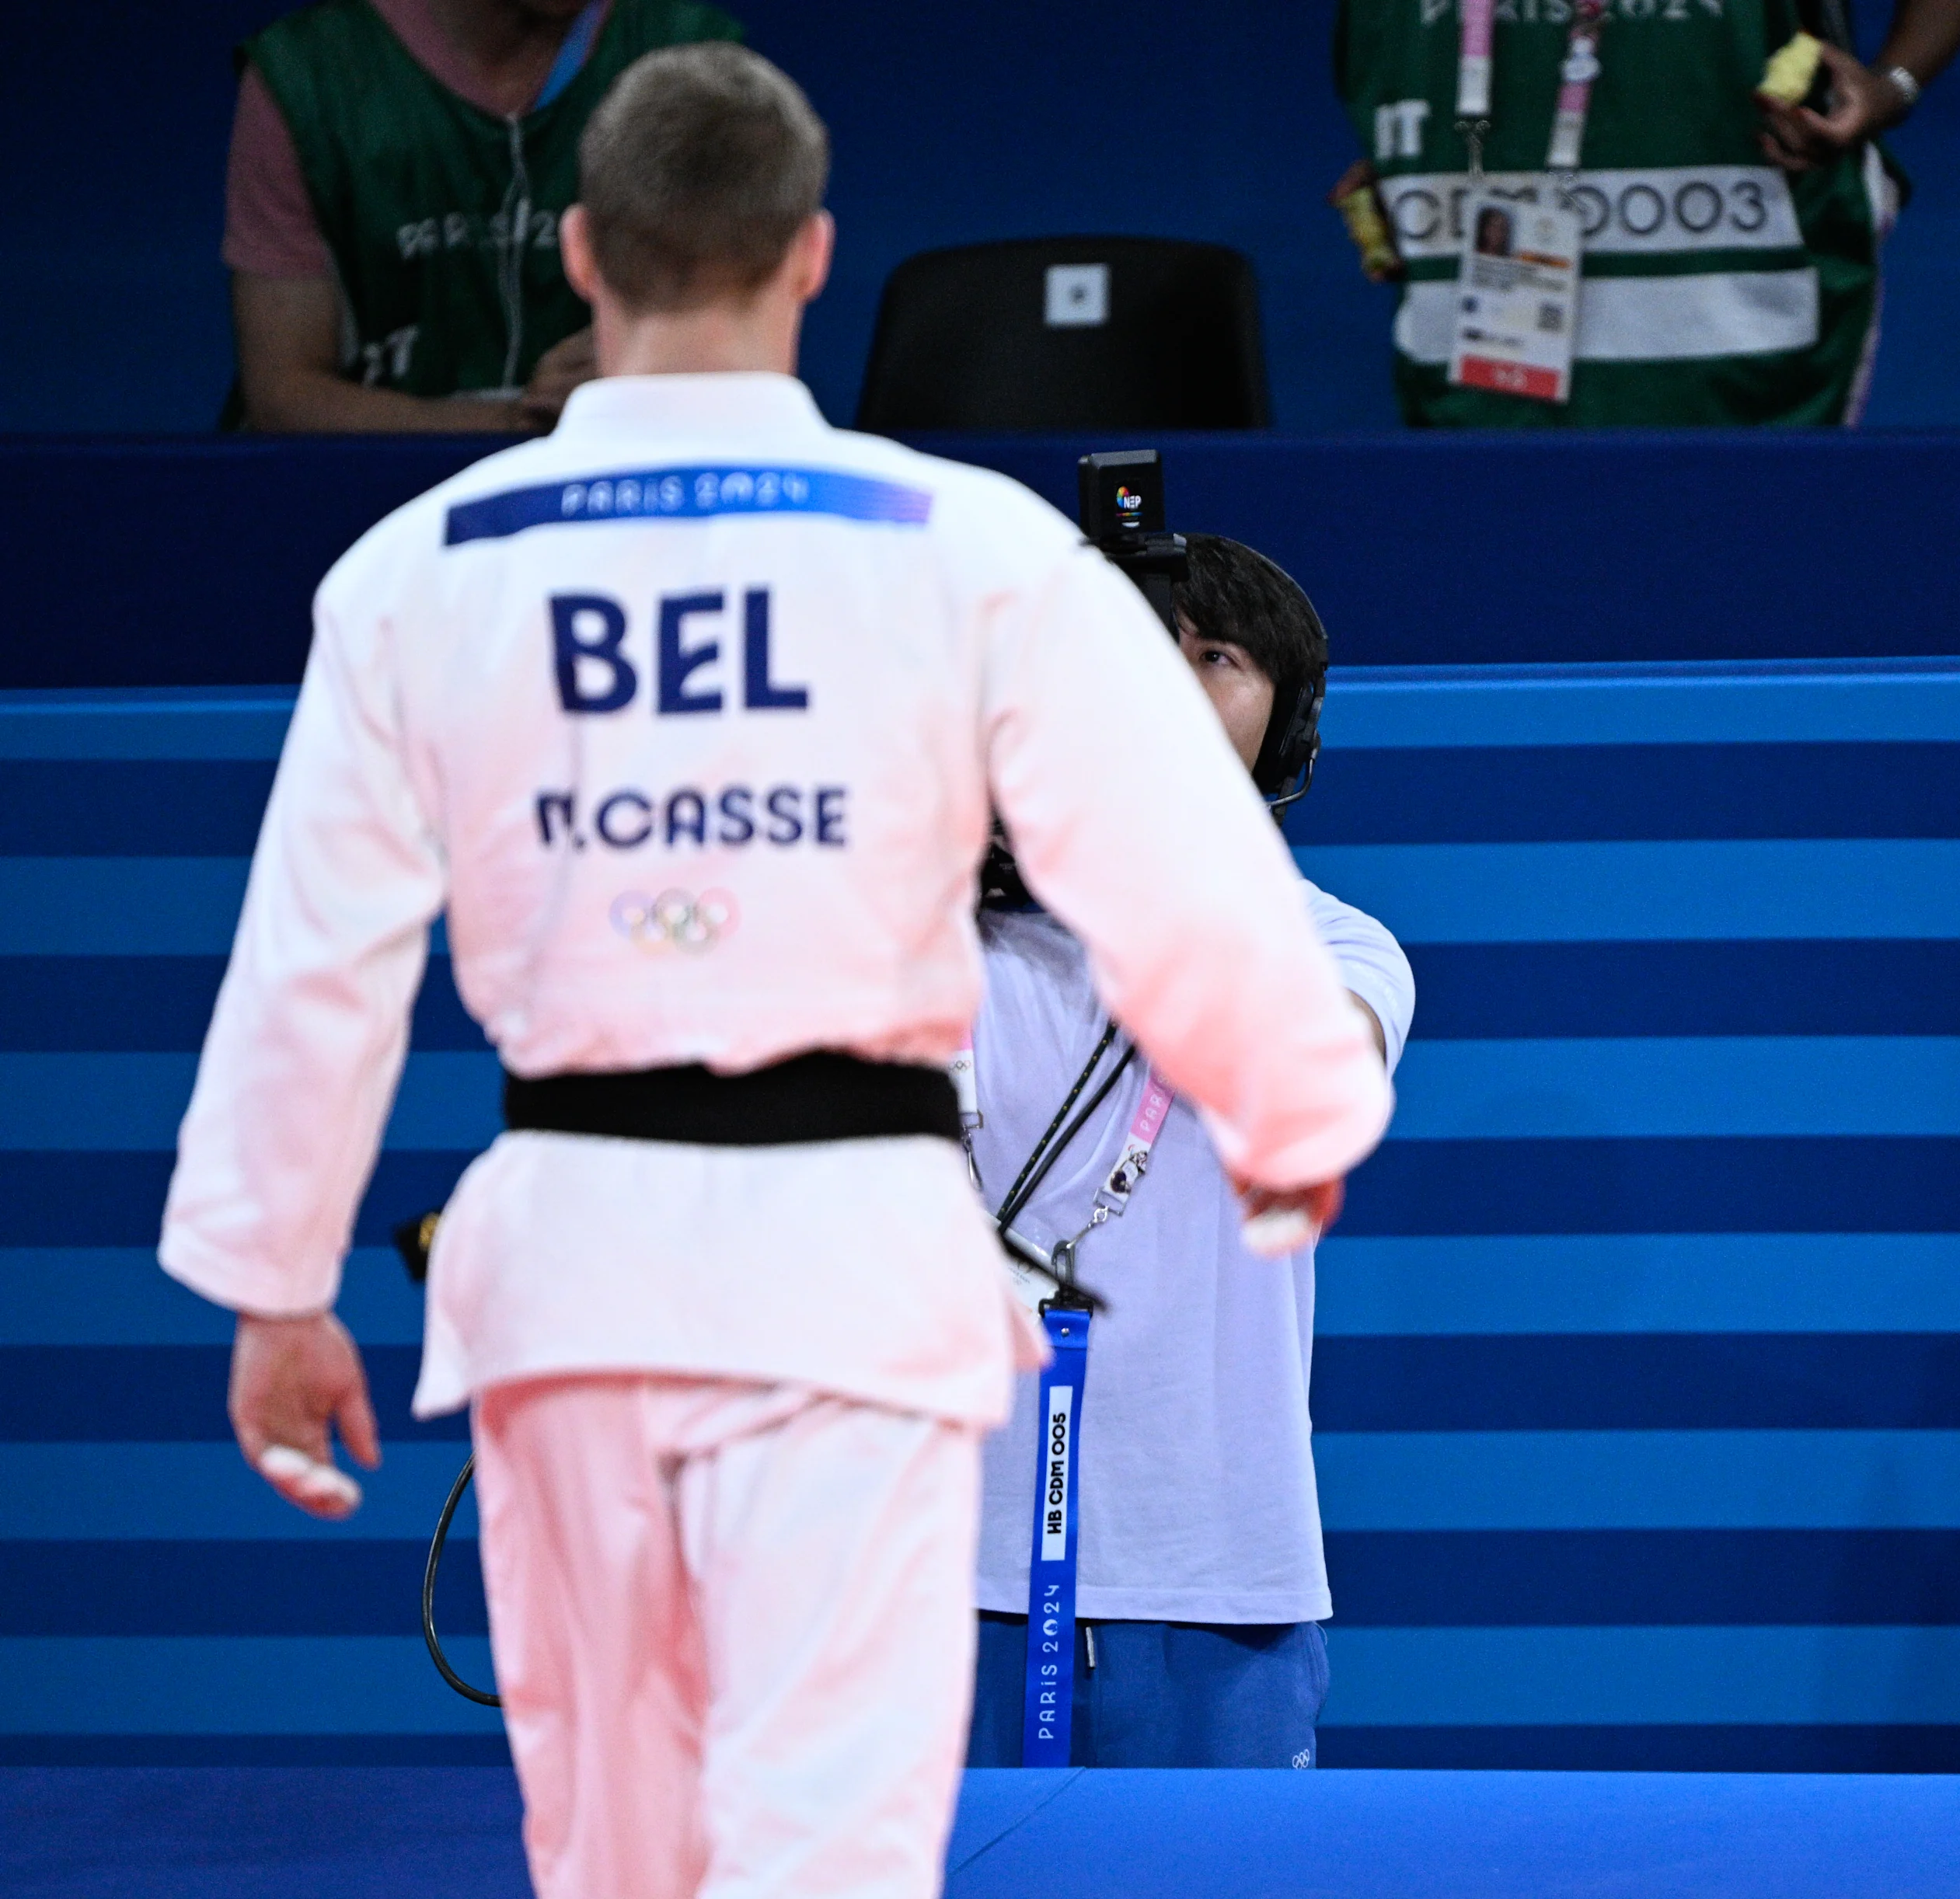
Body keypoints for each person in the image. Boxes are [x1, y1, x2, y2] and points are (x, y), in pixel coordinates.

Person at [160, 44, 1390, 1899]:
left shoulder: (420, 565)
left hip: (583, 1257)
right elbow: (1166, 873)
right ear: (812, 258)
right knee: (837, 1826)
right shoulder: (966, 552)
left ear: (580, 254)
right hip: (850, 1267)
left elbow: (316, 954)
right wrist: (1293, 1103)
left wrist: (272, 1284)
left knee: (610, 1826)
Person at [963, 535, 1414, 1770]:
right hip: (940, 1578)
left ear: (1289, 725)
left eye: (1213, 658)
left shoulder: (1339, 948)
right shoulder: (936, 940)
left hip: (1217, 1586)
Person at [1330, 0, 1960, 427]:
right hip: (1479, 316)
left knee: (1742, 587)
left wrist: (1893, 84)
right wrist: (1406, 160)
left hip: (1745, 339)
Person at [225, 0, 739, 433]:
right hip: (361, 495)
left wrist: (649, 368)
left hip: (614, 494)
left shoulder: (692, 63)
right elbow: (283, 393)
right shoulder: (306, 76)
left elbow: (735, 348)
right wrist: (512, 421)